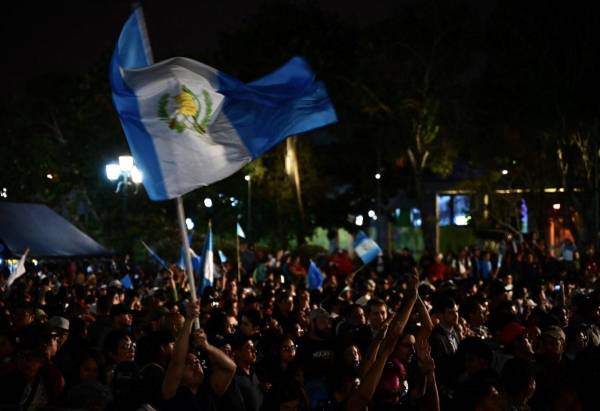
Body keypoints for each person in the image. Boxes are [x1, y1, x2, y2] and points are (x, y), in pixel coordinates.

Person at [161, 300, 236, 411]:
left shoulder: (208, 390)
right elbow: (177, 362)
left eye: (197, 362)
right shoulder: (171, 391)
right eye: (189, 363)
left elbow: (231, 368)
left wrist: (207, 346)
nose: (196, 365)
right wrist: (189, 320)